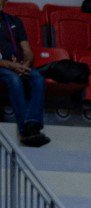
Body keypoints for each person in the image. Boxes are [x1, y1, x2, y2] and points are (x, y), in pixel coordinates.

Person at [0, 3, 49, 147]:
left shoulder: (14, 21)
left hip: (18, 65)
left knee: (38, 78)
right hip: (4, 66)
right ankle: (26, 131)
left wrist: (25, 64)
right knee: (14, 79)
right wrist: (10, 65)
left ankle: (32, 124)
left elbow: (27, 49)